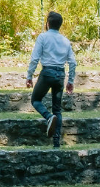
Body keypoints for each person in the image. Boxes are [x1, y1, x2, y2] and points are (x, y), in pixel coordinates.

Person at [26, 11, 77, 148]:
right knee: (57, 110)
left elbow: (35, 58)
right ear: (60, 25)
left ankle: (48, 117)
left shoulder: (43, 37)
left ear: (48, 24)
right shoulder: (65, 40)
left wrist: (29, 76)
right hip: (60, 74)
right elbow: (73, 62)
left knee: (35, 100)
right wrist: (70, 81)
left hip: (47, 73)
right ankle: (56, 143)